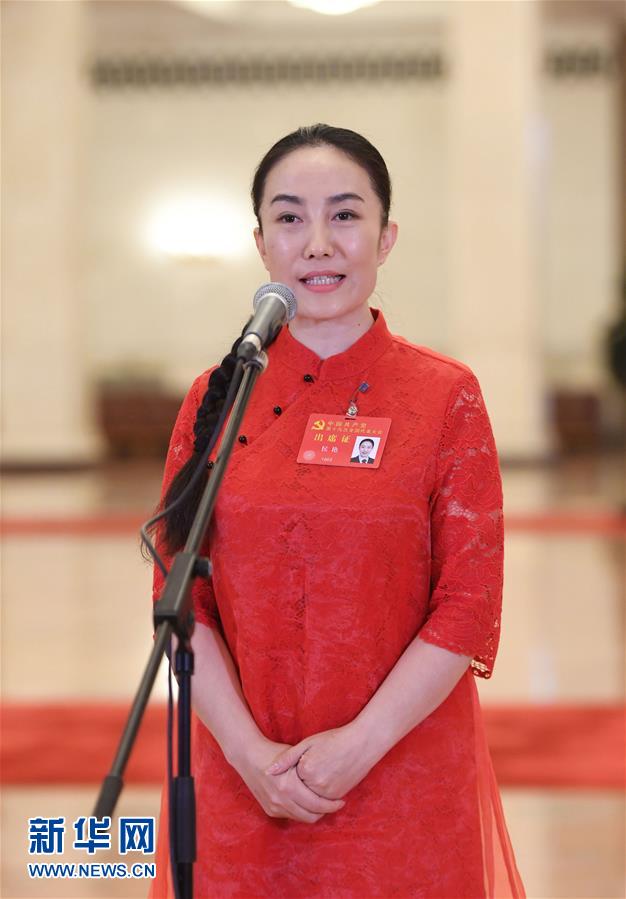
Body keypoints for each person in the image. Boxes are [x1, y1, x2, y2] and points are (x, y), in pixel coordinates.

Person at [150, 124, 525, 898]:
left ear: (386, 238)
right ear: (261, 244)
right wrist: (252, 756)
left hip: (397, 772)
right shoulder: (216, 397)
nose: (318, 243)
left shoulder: (444, 396)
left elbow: (468, 603)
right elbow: (180, 596)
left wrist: (359, 744)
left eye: (345, 215)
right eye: (290, 217)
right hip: (243, 778)